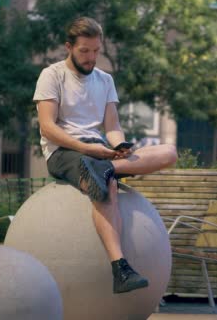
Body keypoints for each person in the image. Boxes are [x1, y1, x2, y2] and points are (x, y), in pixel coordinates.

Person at [33, 17, 177, 294]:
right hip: (66, 152)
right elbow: (47, 127)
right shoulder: (51, 75)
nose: (91, 58)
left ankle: (107, 168)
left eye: (96, 51)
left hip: (99, 152)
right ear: (69, 47)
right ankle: (120, 268)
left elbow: (112, 126)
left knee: (168, 152)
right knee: (105, 184)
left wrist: (120, 146)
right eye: (84, 51)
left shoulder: (105, 80)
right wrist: (87, 149)